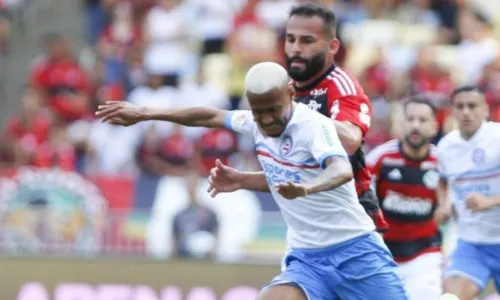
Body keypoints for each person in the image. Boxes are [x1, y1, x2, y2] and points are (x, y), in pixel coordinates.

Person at [96, 62, 407, 300]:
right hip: (308, 258)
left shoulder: (313, 126)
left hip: (355, 251)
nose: (268, 119)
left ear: (289, 93)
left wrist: (306, 189)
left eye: (273, 110)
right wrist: (145, 112)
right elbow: (209, 116)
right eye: (259, 113)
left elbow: (341, 170)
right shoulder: (256, 122)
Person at [283, 3, 387, 231]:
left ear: (332, 47)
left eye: (306, 41)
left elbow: (350, 140)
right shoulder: (285, 91)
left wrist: (299, 112)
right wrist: (241, 178)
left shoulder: (340, 85)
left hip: (351, 217)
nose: (296, 49)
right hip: (308, 218)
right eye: (290, 39)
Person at [366, 96, 442, 300]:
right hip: (383, 252)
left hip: (424, 253)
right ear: (402, 123)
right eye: (410, 119)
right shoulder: (379, 158)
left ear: (435, 126)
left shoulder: (442, 162)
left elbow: (451, 209)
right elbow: (361, 203)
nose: (415, 126)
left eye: (422, 120)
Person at [435, 86, 500, 300]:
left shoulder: (497, 138)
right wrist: (444, 205)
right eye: (460, 106)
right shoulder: (446, 147)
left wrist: (491, 201)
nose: (466, 112)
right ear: (452, 111)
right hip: (471, 244)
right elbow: (443, 180)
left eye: (472, 106)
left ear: (485, 110)